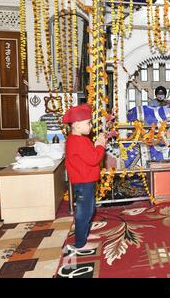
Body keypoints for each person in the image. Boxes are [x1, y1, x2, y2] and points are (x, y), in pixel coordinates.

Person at [63, 103, 106, 250]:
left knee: (90, 209)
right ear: (75, 125)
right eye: (88, 123)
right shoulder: (77, 142)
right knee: (84, 213)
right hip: (83, 183)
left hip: (86, 181)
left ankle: (84, 235)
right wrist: (100, 145)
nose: (91, 127)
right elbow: (94, 159)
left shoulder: (79, 140)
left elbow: (88, 156)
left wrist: (96, 146)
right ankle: (81, 242)